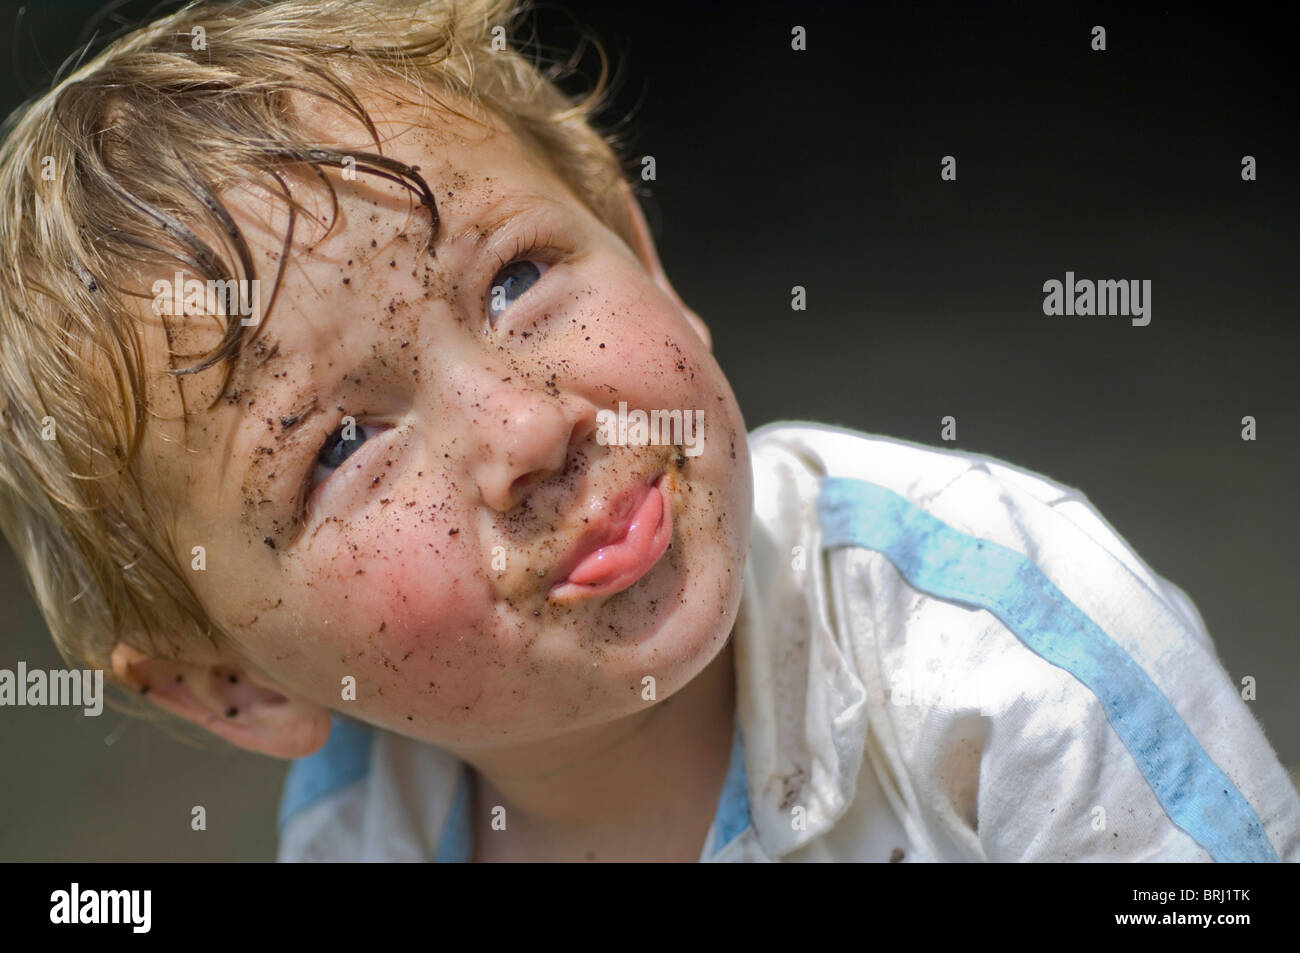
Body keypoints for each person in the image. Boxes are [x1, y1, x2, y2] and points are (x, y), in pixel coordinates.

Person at [0, 0, 1294, 862]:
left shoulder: (1006, 666)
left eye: (515, 281)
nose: (525, 424)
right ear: (233, 683)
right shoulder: (362, 827)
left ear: (644, 250)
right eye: (340, 446)